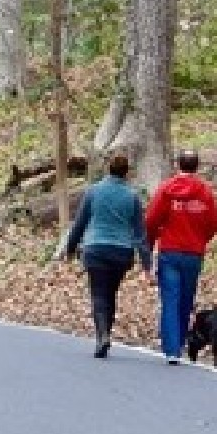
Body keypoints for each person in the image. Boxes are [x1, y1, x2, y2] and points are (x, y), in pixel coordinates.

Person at [65, 153, 152, 358]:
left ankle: (102, 335)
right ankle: (106, 332)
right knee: (111, 293)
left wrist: (70, 248)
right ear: (126, 173)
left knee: (98, 294)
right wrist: (148, 264)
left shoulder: (93, 192)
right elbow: (140, 235)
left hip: (95, 248)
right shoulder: (132, 197)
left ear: (108, 169)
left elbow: (80, 223)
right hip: (121, 252)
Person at [145, 148, 217, 365]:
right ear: (196, 166)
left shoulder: (167, 189)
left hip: (169, 251)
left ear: (178, 165)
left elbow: (151, 219)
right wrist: (200, 240)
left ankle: (172, 349)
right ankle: (177, 343)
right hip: (192, 254)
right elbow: (213, 223)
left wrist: (151, 244)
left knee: (170, 299)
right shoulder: (205, 192)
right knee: (186, 299)